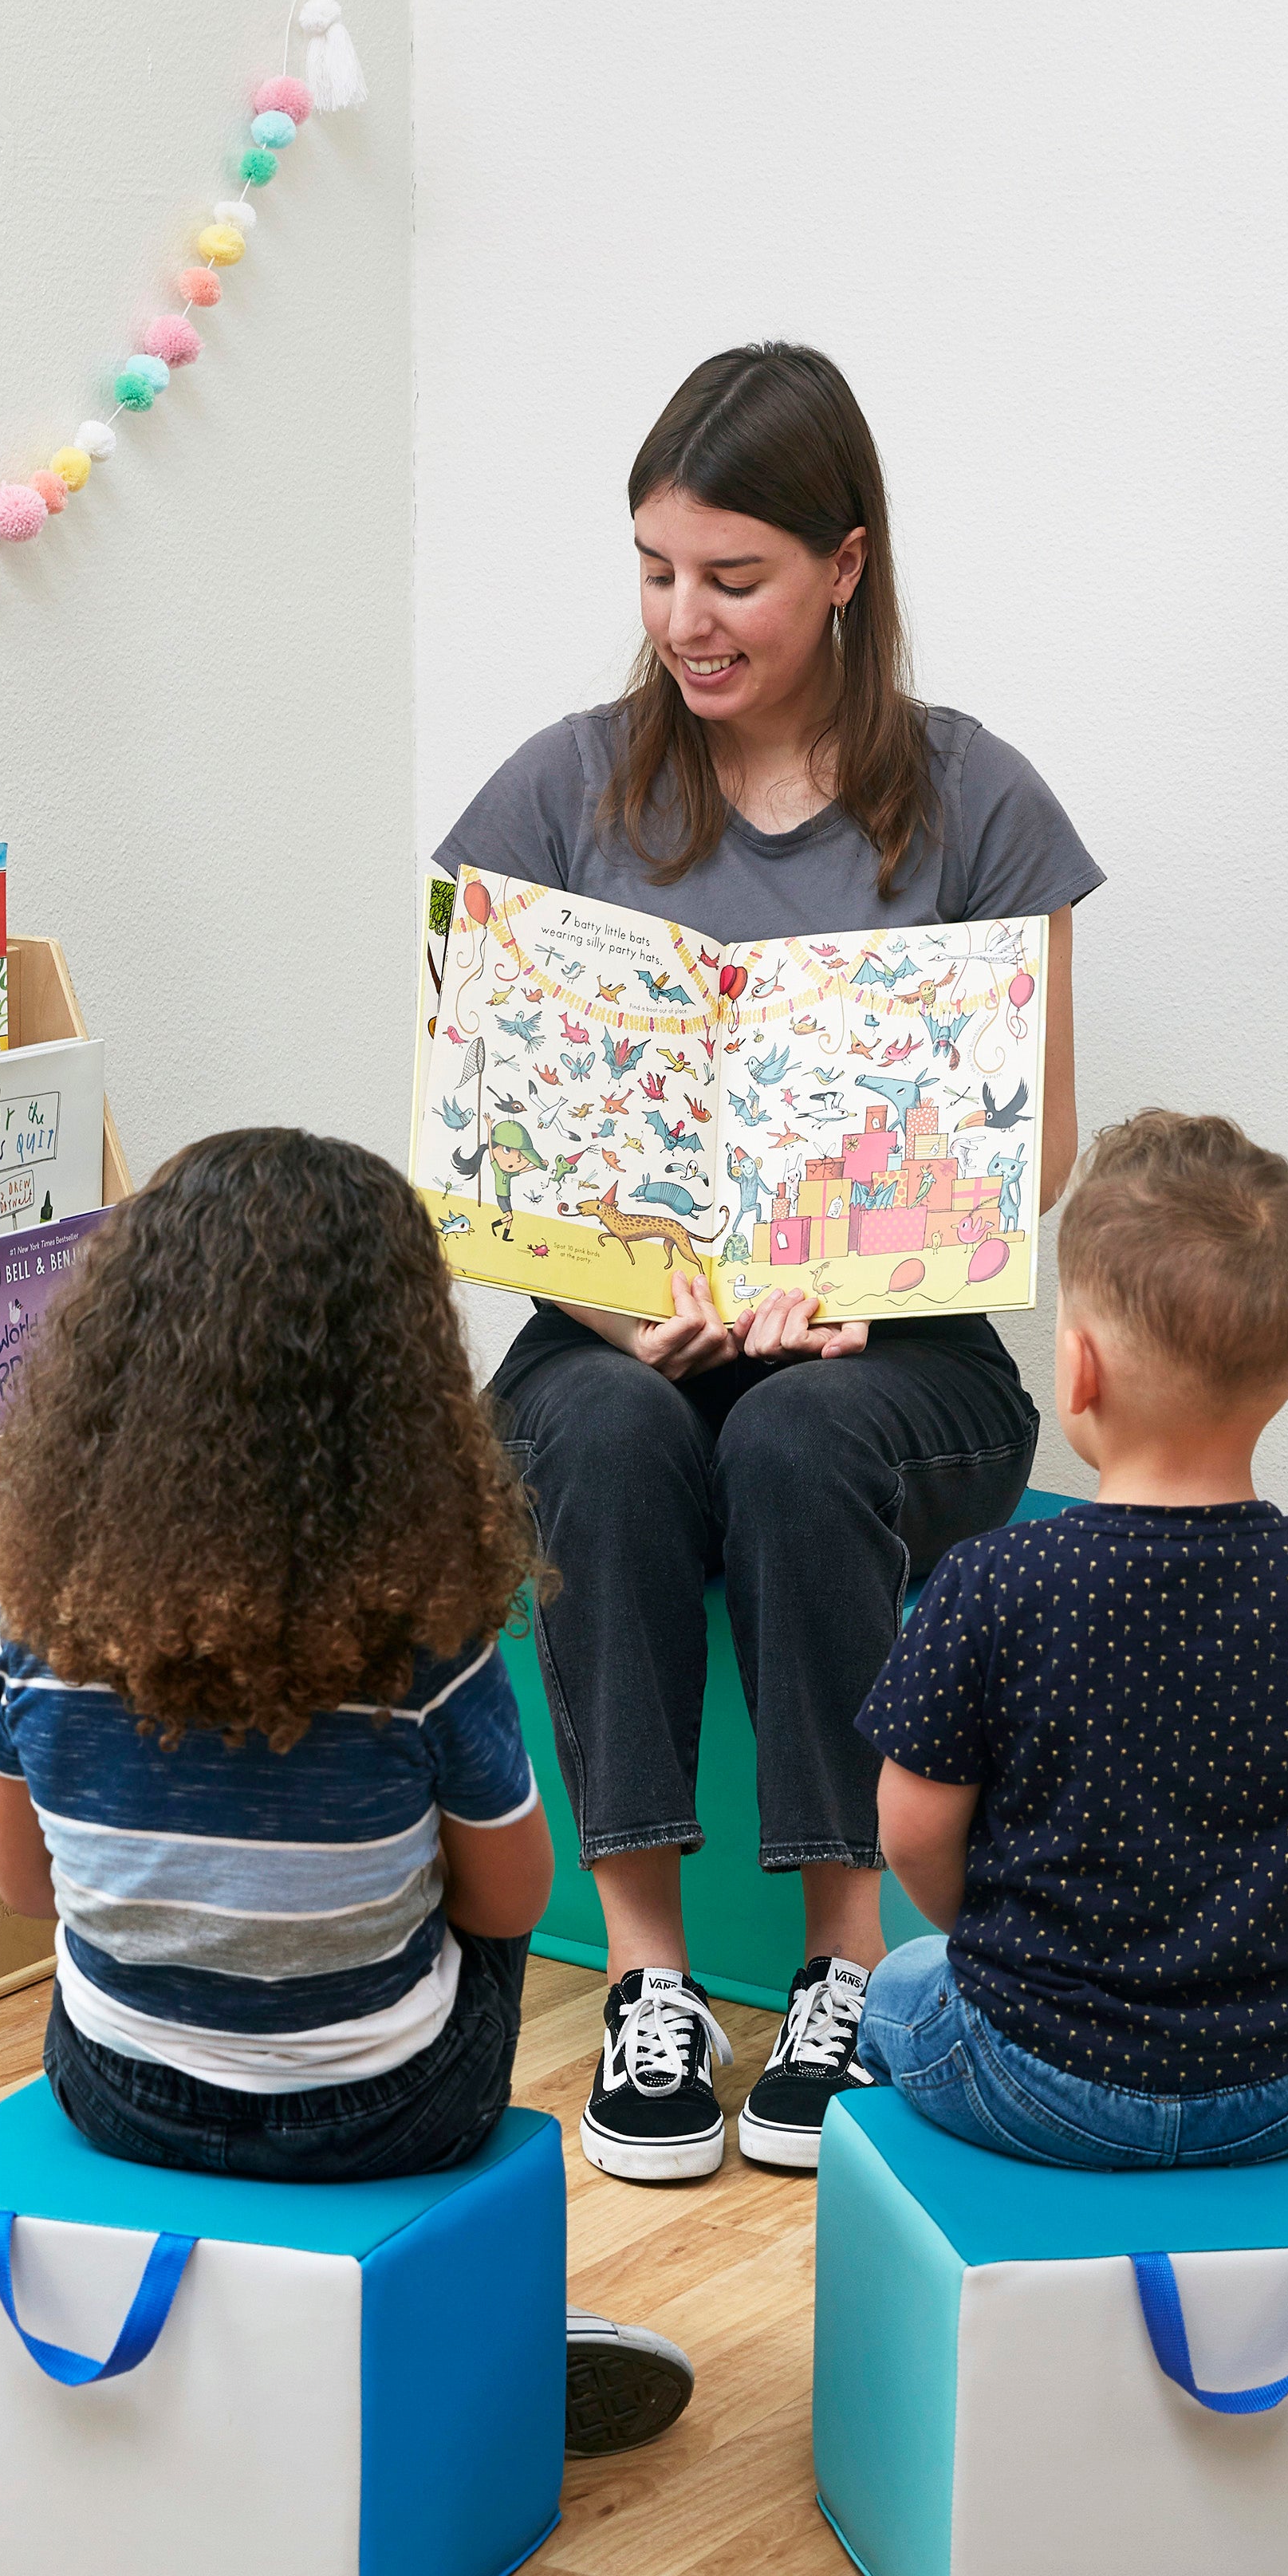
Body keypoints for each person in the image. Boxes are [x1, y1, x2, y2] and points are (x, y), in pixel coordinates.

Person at [435, 341, 1101, 2188]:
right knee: (605, 1433)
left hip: (899, 1354)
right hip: (613, 1330)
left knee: (798, 1438)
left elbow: (1034, 1147)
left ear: (844, 564)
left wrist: (856, 1284)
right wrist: (609, 1302)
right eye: (656, 571)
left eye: (732, 578)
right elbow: (480, 1141)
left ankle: (839, 1968)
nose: (684, 620)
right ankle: (647, 1978)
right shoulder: (559, 790)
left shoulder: (974, 799)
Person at [0, 1126, 695, 2453]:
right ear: (402, 1383)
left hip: (122, 2094)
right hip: (389, 2111)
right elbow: (512, 1902)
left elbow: (20, 1885)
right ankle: (479, 2328)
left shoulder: (34, 1615)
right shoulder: (420, 1637)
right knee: (472, 1917)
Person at [854, 1112, 1288, 2168]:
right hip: (1282, 2085)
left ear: (1077, 1370)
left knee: (899, 1982)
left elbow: (909, 1833)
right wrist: (1249, 1944)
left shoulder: (993, 1579)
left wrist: (992, 1944)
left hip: (1035, 2075)